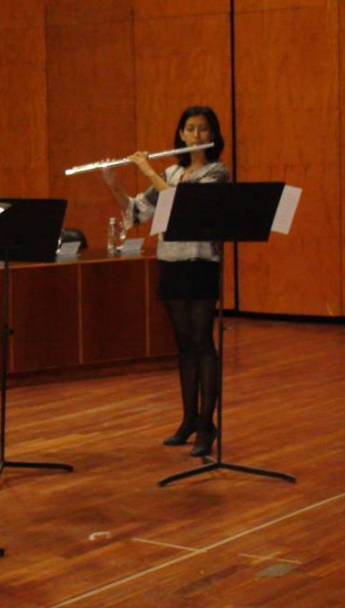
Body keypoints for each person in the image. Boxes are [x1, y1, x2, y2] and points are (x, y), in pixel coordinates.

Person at [101, 105, 228, 458]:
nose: (197, 135)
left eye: (204, 129)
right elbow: (139, 212)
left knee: (203, 341)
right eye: (190, 128)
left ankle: (207, 424)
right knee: (184, 343)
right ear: (181, 134)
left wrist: (146, 169)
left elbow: (183, 205)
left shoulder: (217, 173)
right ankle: (189, 419)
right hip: (171, 262)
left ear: (213, 136)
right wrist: (114, 184)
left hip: (201, 262)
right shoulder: (172, 171)